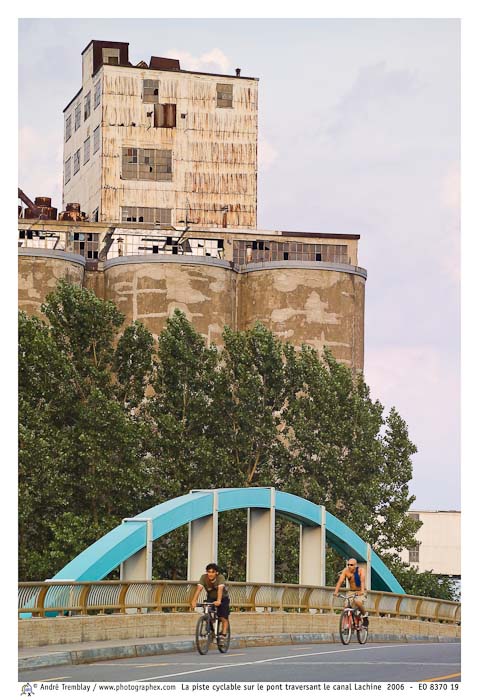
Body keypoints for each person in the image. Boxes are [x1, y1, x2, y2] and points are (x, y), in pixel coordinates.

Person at [190, 563, 230, 636]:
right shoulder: (204, 577)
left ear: (216, 573)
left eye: (212, 572)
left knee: (223, 616)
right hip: (211, 598)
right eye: (208, 572)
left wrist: (218, 601)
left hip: (223, 598)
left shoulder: (220, 578)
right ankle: (210, 624)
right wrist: (194, 601)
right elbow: (199, 589)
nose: (210, 574)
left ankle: (223, 634)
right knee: (206, 608)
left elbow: (220, 590)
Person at [334, 558, 369, 627]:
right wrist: (336, 592)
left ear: (355, 565)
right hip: (351, 591)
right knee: (346, 606)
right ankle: (348, 624)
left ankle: (365, 616)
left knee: (358, 602)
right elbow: (340, 582)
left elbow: (362, 581)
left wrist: (361, 591)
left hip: (360, 591)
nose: (349, 566)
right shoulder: (346, 571)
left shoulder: (361, 571)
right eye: (348, 565)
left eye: (351, 565)